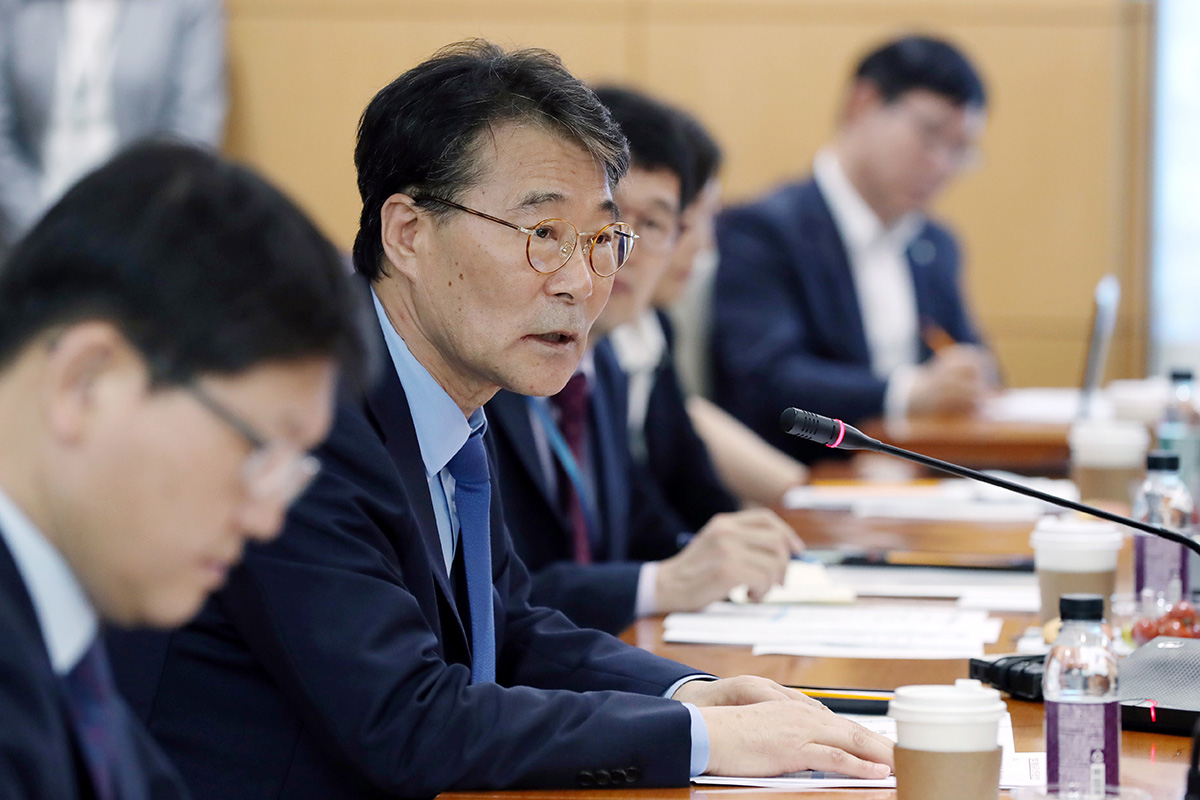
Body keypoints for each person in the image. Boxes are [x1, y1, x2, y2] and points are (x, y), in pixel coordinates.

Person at [107, 41, 894, 798]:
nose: (581, 282)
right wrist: (700, 738)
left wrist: (692, 693)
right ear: (407, 233)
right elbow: (406, 721)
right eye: (544, 235)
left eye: (602, 239)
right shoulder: (310, 415)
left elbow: (510, 629)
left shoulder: (447, 399)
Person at [0, 141, 363, 799]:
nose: (267, 519)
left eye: (290, 471)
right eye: (259, 451)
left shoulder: (62, 633)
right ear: (87, 382)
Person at [487, 86, 801, 634]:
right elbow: (495, 595)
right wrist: (661, 582)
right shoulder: (498, 360)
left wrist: (719, 555)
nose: (616, 250)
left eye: (650, 225)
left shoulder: (601, 364)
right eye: (604, 224)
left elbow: (643, 524)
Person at [712, 34, 997, 463]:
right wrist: (909, 392)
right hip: (811, 474)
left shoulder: (935, 244)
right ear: (863, 104)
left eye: (961, 151)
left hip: (923, 475)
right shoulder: (764, 230)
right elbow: (768, 379)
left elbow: (968, 355)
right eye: (930, 135)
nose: (942, 165)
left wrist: (972, 376)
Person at [0, 0, 227, 252]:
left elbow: (191, 135)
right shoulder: (12, 8)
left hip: (143, 237)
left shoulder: (188, 7)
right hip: (27, 234)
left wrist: (121, 236)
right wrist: (45, 231)